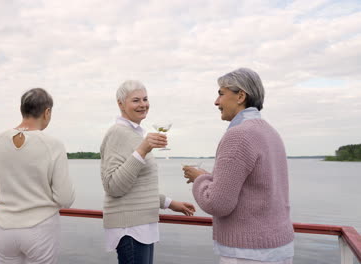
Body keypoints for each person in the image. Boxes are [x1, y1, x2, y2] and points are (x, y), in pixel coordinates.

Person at [183, 68, 294, 264]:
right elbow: (253, 186)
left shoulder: (238, 135)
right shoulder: (271, 133)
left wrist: (199, 179)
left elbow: (218, 203)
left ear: (241, 96)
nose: (216, 102)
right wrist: (209, 178)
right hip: (280, 249)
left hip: (248, 253)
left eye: (221, 94)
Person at [100, 80, 196, 264]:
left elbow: (138, 187)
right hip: (130, 229)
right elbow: (112, 186)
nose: (143, 104)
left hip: (141, 226)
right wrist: (143, 149)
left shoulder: (134, 134)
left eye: (145, 99)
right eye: (136, 100)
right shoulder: (117, 133)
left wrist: (169, 203)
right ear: (120, 104)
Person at [0, 88, 75, 264]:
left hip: (4, 229)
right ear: (47, 112)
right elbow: (65, 198)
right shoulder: (53, 145)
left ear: (22, 109)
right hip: (40, 228)